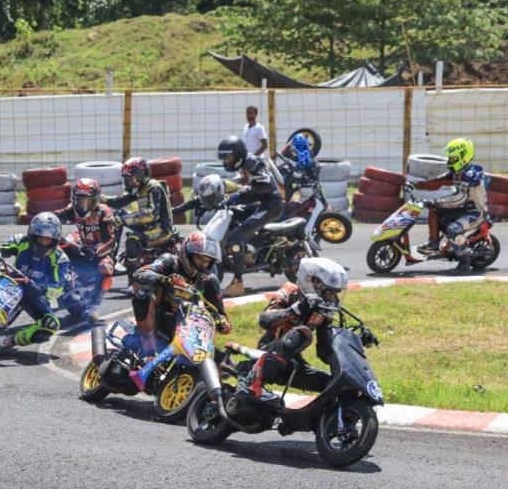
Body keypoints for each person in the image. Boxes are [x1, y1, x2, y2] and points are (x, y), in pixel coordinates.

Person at [228, 257, 346, 413]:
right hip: (268, 352)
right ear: (313, 283)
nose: (333, 298)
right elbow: (264, 319)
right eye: (330, 292)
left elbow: (324, 351)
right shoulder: (291, 291)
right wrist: (296, 309)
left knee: (332, 385)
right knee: (301, 334)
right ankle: (250, 379)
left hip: (292, 363)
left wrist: (346, 351)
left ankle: (320, 420)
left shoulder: (323, 310)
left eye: (335, 293)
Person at [123, 231, 231, 391]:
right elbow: (139, 274)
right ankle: (146, 347)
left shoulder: (209, 280)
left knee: (225, 362)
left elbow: (220, 312)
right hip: (159, 316)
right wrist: (164, 279)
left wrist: (223, 323)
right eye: (200, 258)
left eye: (207, 260)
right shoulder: (170, 262)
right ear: (188, 254)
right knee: (144, 293)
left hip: (187, 327)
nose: (203, 263)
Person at [0, 212, 71, 349]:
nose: (43, 242)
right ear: (32, 235)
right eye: (40, 238)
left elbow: (58, 287)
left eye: (48, 239)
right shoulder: (21, 240)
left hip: (34, 294)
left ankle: (7, 341)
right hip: (12, 280)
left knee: (51, 323)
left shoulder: (61, 259)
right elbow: (2, 249)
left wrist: (43, 289)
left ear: (55, 240)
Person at [218, 135, 284, 297]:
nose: (226, 161)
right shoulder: (247, 163)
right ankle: (246, 254)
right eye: (224, 157)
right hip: (261, 203)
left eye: (228, 156)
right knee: (234, 217)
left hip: (270, 205)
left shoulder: (251, 163)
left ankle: (238, 283)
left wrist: (240, 195)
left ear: (238, 153)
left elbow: (266, 186)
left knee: (235, 237)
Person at [412, 138, 487, 273]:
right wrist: (415, 184)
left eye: (452, 158)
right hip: (463, 209)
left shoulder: (470, 175)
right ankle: (434, 244)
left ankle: (464, 265)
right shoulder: (457, 172)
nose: (449, 161)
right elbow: (438, 181)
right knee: (433, 211)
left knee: (453, 229)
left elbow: (460, 198)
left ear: (463, 157)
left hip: (475, 212)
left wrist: (438, 202)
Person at [103, 157, 178, 291]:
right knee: (119, 214)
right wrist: (100, 198)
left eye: (134, 177)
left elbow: (151, 214)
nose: (131, 181)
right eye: (128, 178)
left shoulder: (153, 188)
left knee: (132, 239)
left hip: (161, 228)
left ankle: (135, 284)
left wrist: (126, 220)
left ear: (144, 174)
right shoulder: (139, 188)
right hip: (148, 226)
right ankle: (112, 259)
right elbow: (119, 202)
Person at [53, 178, 116, 314]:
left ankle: (94, 305)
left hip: (98, 252)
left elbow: (111, 242)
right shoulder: (73, 210)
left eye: (89, 201)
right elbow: (58, 215)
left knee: (105, 267)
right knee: (56, 243)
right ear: (74, 199)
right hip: (80, 244)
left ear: (97, 199)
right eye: (80, 201)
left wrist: (96, 251)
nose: (84, 205)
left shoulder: (104, 213)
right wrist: (45, 217)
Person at [172, 173, 240, 223]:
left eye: (208, 198)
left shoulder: (234, 194)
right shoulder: (214, 192)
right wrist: (176, 210)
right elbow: (195, 201)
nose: (204, 201)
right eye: (204, 198)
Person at [282, 133, 320, 202]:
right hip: (301, 178)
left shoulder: (302, 157)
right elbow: (284, 153)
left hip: (301, 181)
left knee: (290, 185)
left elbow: (284, 153)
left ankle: (285, 201)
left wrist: (290, 143)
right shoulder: (309, 153)